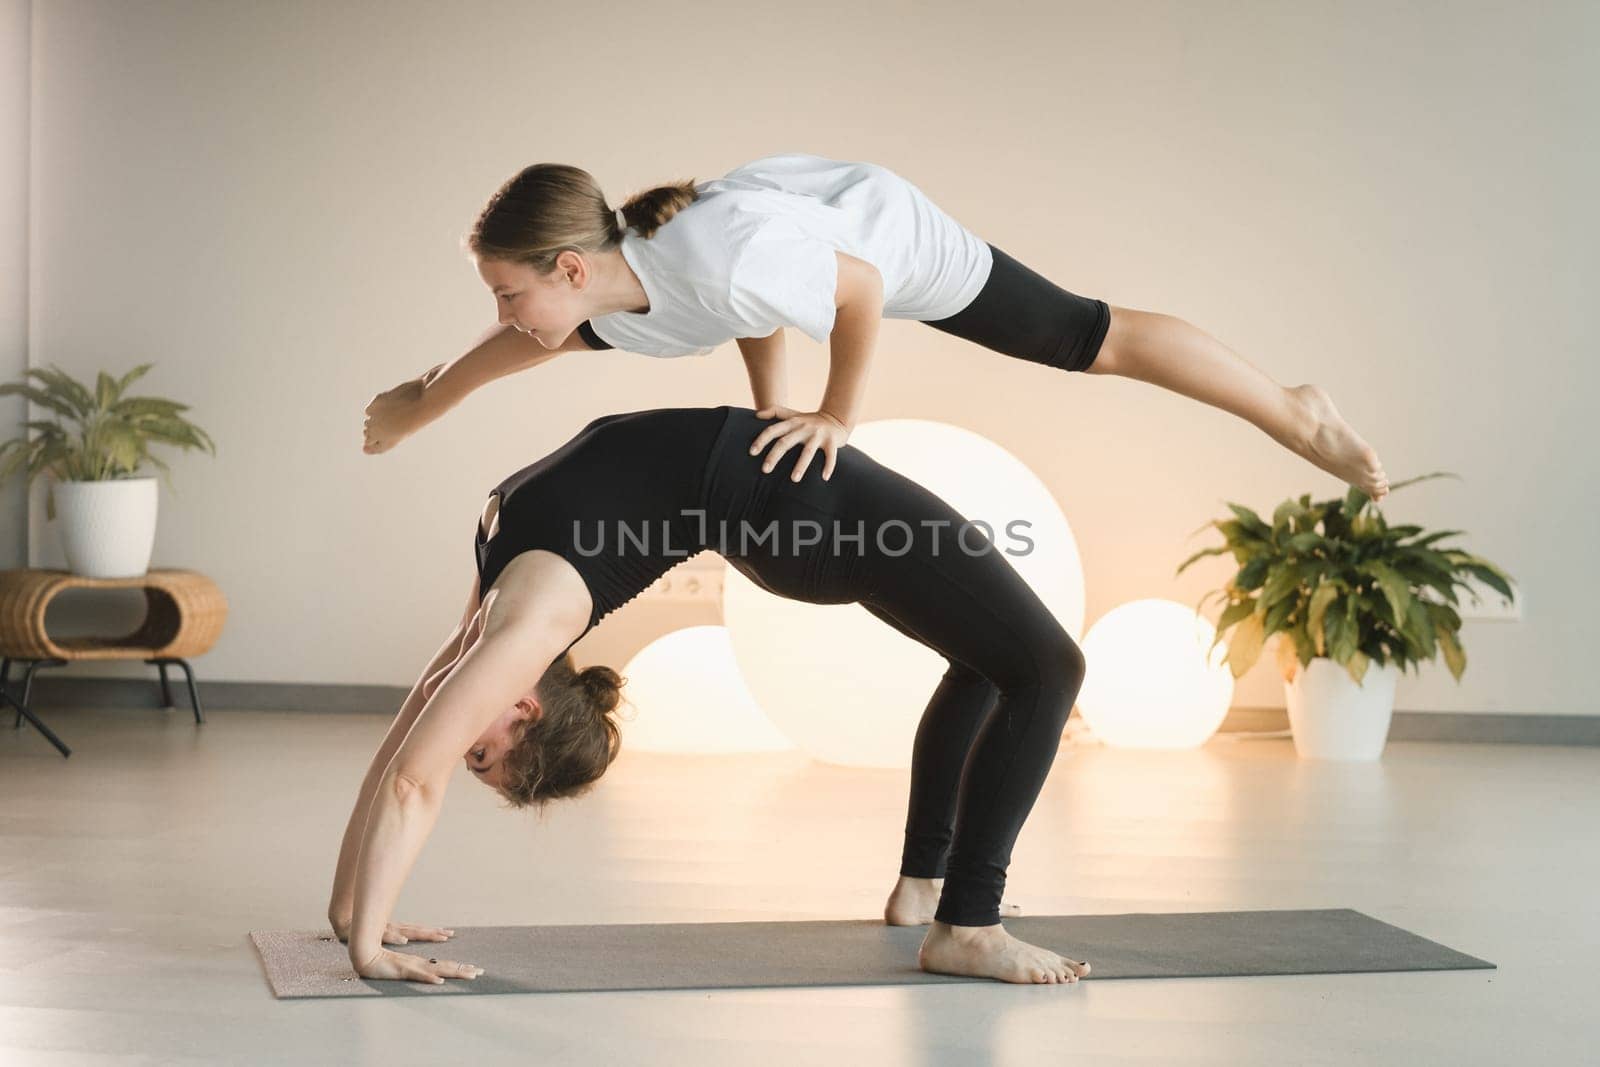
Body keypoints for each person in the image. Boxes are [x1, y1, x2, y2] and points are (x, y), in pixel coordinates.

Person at [328, 405, 1096, 987]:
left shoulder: (504, 622)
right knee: (1049, 667)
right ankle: (968, 924)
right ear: (529, 710)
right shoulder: (527, 618)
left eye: (477, 752)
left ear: (525, 709)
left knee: (991, 659)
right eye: (481, 751)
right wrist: (364, 943)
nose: (459, 731)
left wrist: (348, 917)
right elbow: (411, 771)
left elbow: (405, 758)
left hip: (789, 513)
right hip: (806, 516)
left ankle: (925, 886)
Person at [361, 152, 1388, 501]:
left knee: (1091, 339)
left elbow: (850, 288)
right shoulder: (625, 300)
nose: (502, 315)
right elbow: (735, 315)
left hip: (892, 238)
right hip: (800, 228)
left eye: (507, 290)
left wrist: (832, 417)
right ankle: (1288, 407)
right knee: (1089, 342)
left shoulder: (713, 260)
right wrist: (419, 406)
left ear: (570, 267)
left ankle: (1291, 411)